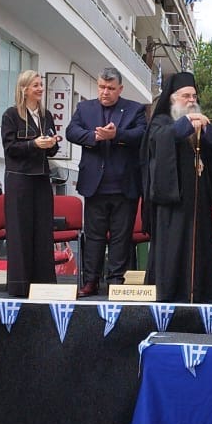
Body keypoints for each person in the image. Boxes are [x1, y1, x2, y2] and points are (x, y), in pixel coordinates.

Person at [140, 72, 212, 303]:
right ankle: (170, 295)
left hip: (198, 202)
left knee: (199, 249)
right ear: (171, 98)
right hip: (172, 203)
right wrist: (186, 124)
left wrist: (205, 130)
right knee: (172, 251)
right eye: (185, 96)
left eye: (194, 96)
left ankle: (201, 294)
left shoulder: (199, 121)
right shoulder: (161, 122)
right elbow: (158, 142)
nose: (191, 100)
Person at [65, 67, 147, 297]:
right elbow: (71, 131)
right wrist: (94, 137)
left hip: (124, 185)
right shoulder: (85, 108)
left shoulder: (135, 109)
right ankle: (91, 281)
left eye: (110, 88)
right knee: (94, 236)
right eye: (101, 87)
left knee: (121, 237)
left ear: (120, 89)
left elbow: (142, 134)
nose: (105, 92)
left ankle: (115, 282)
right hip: (94, 185)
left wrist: (117, 135)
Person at [0, 70, 59, 297]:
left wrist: (51, 143)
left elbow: (52, 149)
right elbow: (10, 148)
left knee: (43, 231)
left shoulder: (47, 116)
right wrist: (34, 145)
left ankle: (43, 283)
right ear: (24, 89)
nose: (40, 88)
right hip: (19, 179)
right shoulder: (11, 115)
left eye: (41, 84)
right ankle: (19, 285)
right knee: (19, 231)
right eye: (36, 85)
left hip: (41, 179)